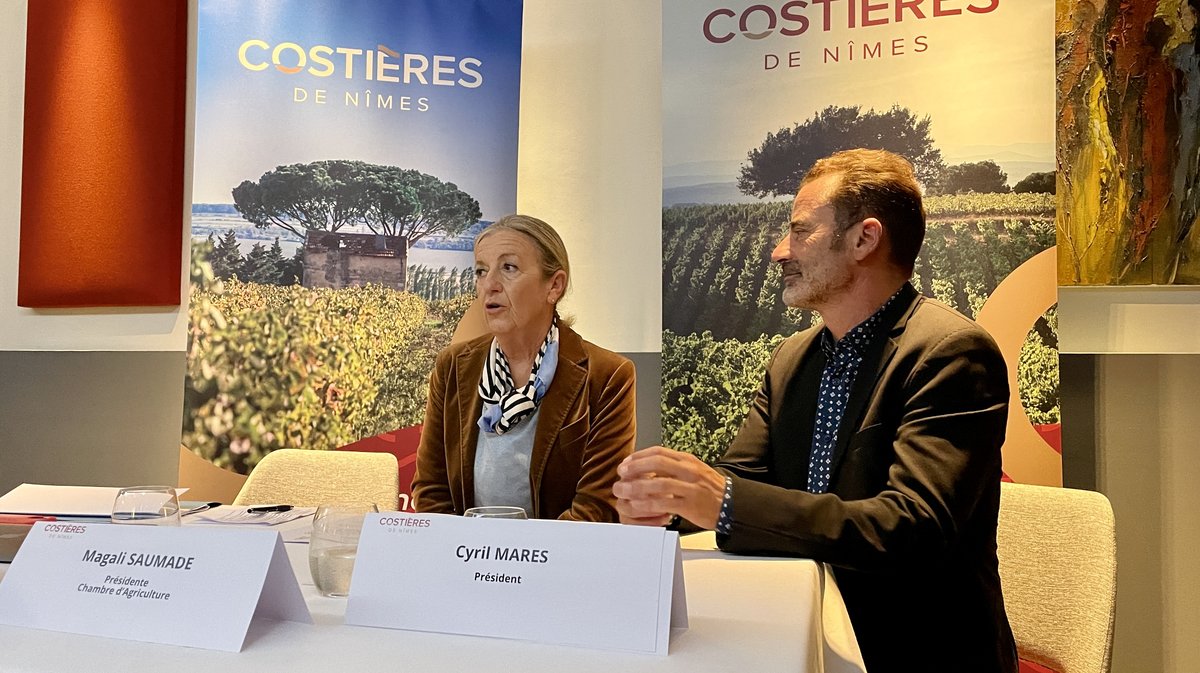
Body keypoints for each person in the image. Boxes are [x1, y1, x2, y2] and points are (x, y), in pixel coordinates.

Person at [614, 149, 1017, 673]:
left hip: (912, 649)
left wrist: (722, 500)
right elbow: (743, 485)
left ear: (864, 239)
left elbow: (912, 530)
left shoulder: (952, 353)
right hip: (786, 633)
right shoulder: (791, 359)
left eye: (800, 231)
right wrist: (668, 511)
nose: (779, 251)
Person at [413, 214, 636, 522]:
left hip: (556, 564)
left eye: (509, 268)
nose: (489, 285)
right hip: (467, 561)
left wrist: (521, 563)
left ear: (554, 286)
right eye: (481, 270)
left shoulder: (608, 376)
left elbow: (594, 509)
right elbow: (431, 492)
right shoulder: (452, 366)